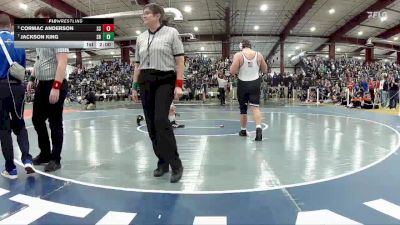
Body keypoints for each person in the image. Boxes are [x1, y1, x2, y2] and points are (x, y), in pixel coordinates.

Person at [131, 3, 184, 183]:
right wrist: (134, 86)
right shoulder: (141, 38)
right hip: (145, 80)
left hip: (165, 79)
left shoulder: (171, 33)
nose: (143, 16)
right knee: (152, 125)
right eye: (143, 14)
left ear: (157, 16)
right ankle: (162, 162)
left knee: (161, 120)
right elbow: (137, 65)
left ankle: (176, 164)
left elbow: (179, 61)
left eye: (147, 13)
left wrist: (179, 84)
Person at [28, 7, 69, 172]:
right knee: (37, 120)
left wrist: (56, 87)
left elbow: (62, 63)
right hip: (42, 84)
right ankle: (45, 153)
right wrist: (32, 78)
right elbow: (38, 62)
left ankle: (55, 158)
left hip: (55, 83)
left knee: (55, 123)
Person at [0, 14, 34, 179]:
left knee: (4, 129)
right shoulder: (19, 43)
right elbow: (22, 68)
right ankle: (27, 159)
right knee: (19, 124)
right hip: (17, 88)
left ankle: (11, 169)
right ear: (11, 25)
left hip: (1, 88)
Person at [229, 39, 268, 141]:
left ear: (241, 46)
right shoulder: (258, 55)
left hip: (243, 83)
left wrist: (239, 69)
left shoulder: (238, 55)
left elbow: (232, 71)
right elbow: (265, 69)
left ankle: (243, 130)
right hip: (255, 82)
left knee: (243, 109)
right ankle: (258, 129)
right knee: (255, 107)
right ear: (250, 46)